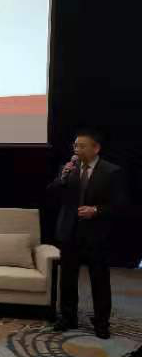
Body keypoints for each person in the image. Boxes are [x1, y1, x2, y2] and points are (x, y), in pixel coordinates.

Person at [47, 129, 128, 339]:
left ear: (96, 148)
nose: (77, 150)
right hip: (69, 232)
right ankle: (68, 317)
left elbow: (119, 205)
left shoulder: (111, 171)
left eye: (82, 146)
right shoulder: (69, 168)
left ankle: (101, 323)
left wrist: (96, 210)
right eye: (75, 146)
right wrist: (62, 178)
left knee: (99, 280)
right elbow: (53, 193)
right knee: (68, 278)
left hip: (96, 234)